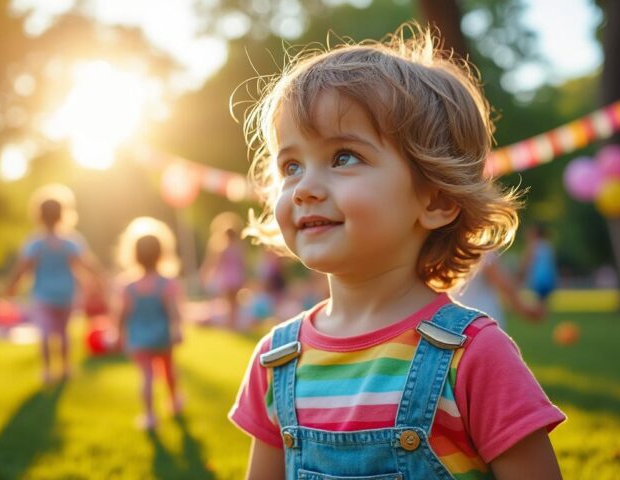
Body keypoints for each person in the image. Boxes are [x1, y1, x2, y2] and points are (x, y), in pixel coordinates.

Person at [229, 24, 565, 480]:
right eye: (291, 165)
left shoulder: (473, 356)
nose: (305, 188)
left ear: (436, 200)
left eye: (344, 156)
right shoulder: (277, 358)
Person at [6, 184, 102, 384]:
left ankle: (48, 371)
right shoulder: (70, 241)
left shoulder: (35, 242)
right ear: (63, 214)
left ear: (38, 215)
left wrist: (11, 287)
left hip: (43, 294)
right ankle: (65, 368)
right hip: (66, 292)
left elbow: (23, 268)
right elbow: (87, 264)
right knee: (64, 332)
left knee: (46, 333)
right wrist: (98, 280)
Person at [116, 217, 184, 429]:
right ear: (161, 253)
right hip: (162, 336)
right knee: (169, 371)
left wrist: (118, 334)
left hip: (139, 338)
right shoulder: (166, 283)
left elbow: (123, 314)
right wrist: (177, 330)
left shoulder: (129, 286)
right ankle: (174, 402)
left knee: (146, 377)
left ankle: (149, 416)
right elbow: (173, 312)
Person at [452, 252, 545, 330]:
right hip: (484, 321)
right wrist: (523, 308)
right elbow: (502, 282)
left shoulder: (448, 246)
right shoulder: (481, 246)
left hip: (456, 322)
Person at [200, 212, 247, 329]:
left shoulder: (223, 248)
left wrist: (207, 273)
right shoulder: (238, 248)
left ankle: (230, 322)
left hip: (227, 278)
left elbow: (216, 263)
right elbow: (242, 264)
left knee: (229, 302)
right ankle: (233, 321)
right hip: (236, 277)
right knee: (234, 302)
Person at [519, 224, 557, 304]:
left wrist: (520, 275)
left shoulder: (533, 245)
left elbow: (527, 262)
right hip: (548, 277)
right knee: (543, 301)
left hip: (538, 278)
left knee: (539, 301)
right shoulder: (547, 245)